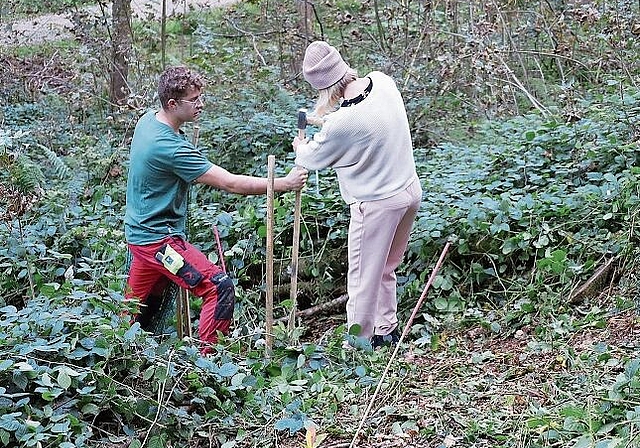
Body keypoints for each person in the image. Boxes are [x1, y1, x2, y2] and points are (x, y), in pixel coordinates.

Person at [125, 65, 308, 353]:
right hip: (159, 243)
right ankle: (207, 366)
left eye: (201, 97)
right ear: (172, 104)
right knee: (218, 287)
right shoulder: (169, 147)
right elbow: (230, 183)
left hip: (140, 238)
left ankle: (115, 359)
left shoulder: (148, 121)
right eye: (194, 100)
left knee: (132, 317)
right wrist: (283, 183)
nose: (201, 105)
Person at [292, 41, 422, 349]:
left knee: (363, 279)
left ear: (321, 88)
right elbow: (367, 122)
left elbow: (309, 159)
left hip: (377, 204)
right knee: (386, 267)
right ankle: (386, 330)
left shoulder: (342, 123)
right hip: (409, 191)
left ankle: (358, 346)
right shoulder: (383, 82)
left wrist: (300, 146)